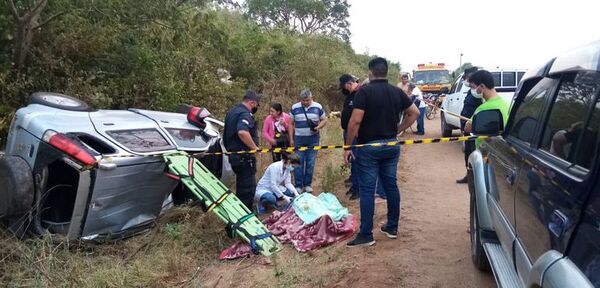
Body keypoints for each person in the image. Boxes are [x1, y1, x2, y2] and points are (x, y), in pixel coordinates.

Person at [344, 57, 419, 247]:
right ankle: (392, 227)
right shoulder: (397, 92)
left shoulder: (364, 93)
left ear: (370, 72)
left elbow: (355, 122)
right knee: (391, 186)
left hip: (369, 147)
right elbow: (415, 112)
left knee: (368, 190)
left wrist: (347, 146)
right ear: (386, 72)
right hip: (391, 145)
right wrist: (399, 129)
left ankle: (366, 234)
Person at [223, 90, 261, 210]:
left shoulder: (232, 112)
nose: (256, 107)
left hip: (235, 157)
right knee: (247, 190)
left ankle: (241, 214)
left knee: (242, 188)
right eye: (256, 104)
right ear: (251, 102)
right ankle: (246, 218)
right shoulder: (245, 114)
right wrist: (254, 148)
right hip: (244, 158)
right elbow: (242, 132)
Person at [290, 88, 327, 193]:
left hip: (313, 139)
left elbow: (324, 119)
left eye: (307, 100)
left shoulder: (318, 107)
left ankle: (307, 184)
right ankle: (298, 185)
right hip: (299, 139)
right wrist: (291, 139)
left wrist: (318, 127)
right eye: (303, 100)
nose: (305, 102)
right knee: (298, 162)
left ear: (311, 98)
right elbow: (290, 123)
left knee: (310, 162)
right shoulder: (295, 107)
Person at [464, 70, 510, 135]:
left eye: (473, 87)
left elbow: (467, 128)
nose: (472, 90)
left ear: (482, 86)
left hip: (485, 144)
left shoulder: (483, 108)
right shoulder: (505, 104)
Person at [457, 67, 482, 184]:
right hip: (467, 128)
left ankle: (475, 178)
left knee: (473, 153)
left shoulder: (479, 94)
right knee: (468, 152)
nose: (466, 80)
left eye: (467, 78)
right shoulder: (470, 92)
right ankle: (469, 175)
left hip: (474, 130)